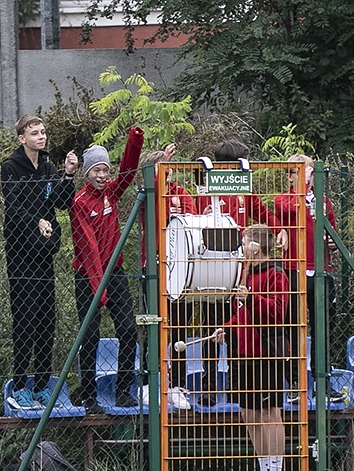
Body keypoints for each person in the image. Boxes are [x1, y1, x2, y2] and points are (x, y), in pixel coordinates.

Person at [196, 139, 287, 399]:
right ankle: (209, 385)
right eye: (243, 162)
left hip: (242, 274)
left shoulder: (244, 190)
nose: (247, 167)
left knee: (238, 325)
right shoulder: (207, 191)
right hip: (214, 272)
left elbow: (263, 212)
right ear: (229, 166)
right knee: (212, 326)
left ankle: (237, 383)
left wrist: (278, 227)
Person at [1, 115, 79, 410]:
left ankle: (44, 386)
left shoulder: (47, 167)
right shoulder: (10, 167)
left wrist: (68, 175)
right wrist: (36, 221)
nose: (41, 137)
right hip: (21, 255)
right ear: (22, 138)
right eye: (35, 133)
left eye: (44, 132)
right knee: (25, 319)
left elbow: (59, 201)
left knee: (47, 319)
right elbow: (14, 206)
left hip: (44, 252)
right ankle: (20, 386)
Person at [70, 127, 144, 413]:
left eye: (104, 170)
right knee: (90, 334)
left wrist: (134, 141)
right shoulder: (79, 202)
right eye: (95, 171)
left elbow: (127, 171)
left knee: (127, 328)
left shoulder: (111, 193)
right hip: (88, 276)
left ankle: (123, 389)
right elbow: (87, 247)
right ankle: (88, 395)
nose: (101, 176)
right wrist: (98, 290)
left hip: (115, 273)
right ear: (86, 173)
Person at [212, 224, 289, 471]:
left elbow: (278, 312)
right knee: (249, 411)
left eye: (244, 242)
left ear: (256, 247)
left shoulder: (276, 274)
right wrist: (227, 327)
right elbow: (243, 312)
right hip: (242, 352)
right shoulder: (246, 272)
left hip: (266, 352)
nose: (241, 248)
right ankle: (263, 467)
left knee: (269, 411)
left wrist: (252, 297)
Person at [273, 154, 345, 403]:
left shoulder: (324, 201)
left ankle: (322, 381)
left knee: (323, 327)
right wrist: (302, 188)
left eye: (309, 172)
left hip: (321, 270)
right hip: (293, 270)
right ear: (290, 176)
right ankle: (294, 381)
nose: (305, 176)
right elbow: (289, 210)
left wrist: (331, 243)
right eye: (297, 172)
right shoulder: (283, 199)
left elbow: (332, 233)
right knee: (291, 327)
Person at [138, 144, 197, 401]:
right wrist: (159, 166)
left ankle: (178, 386)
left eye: (169, 168)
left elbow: (192, 223)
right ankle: (150, 383)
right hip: (152, 269)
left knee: (179, 328)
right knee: (152, 326)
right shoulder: (147, 194)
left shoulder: (182, 194)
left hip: (181, 273)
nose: (168, 172)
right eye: (162, 168)